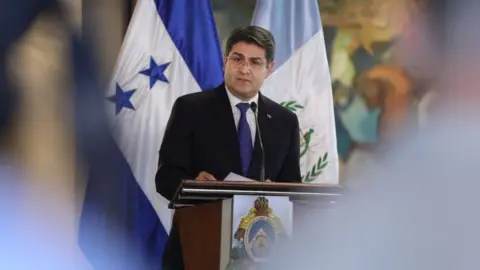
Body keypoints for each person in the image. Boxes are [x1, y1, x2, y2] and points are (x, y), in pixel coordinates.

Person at [155, 25, 302, 270]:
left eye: (255, 62)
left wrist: (275, 192)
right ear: (225, 61)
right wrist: (192, 184)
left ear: (269, 69)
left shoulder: (284, 121)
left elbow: (292, 189)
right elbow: (165, 178)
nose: (244, 69)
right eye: (237, 59)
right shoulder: (190, 109)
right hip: (198, 246)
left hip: (262, 254)